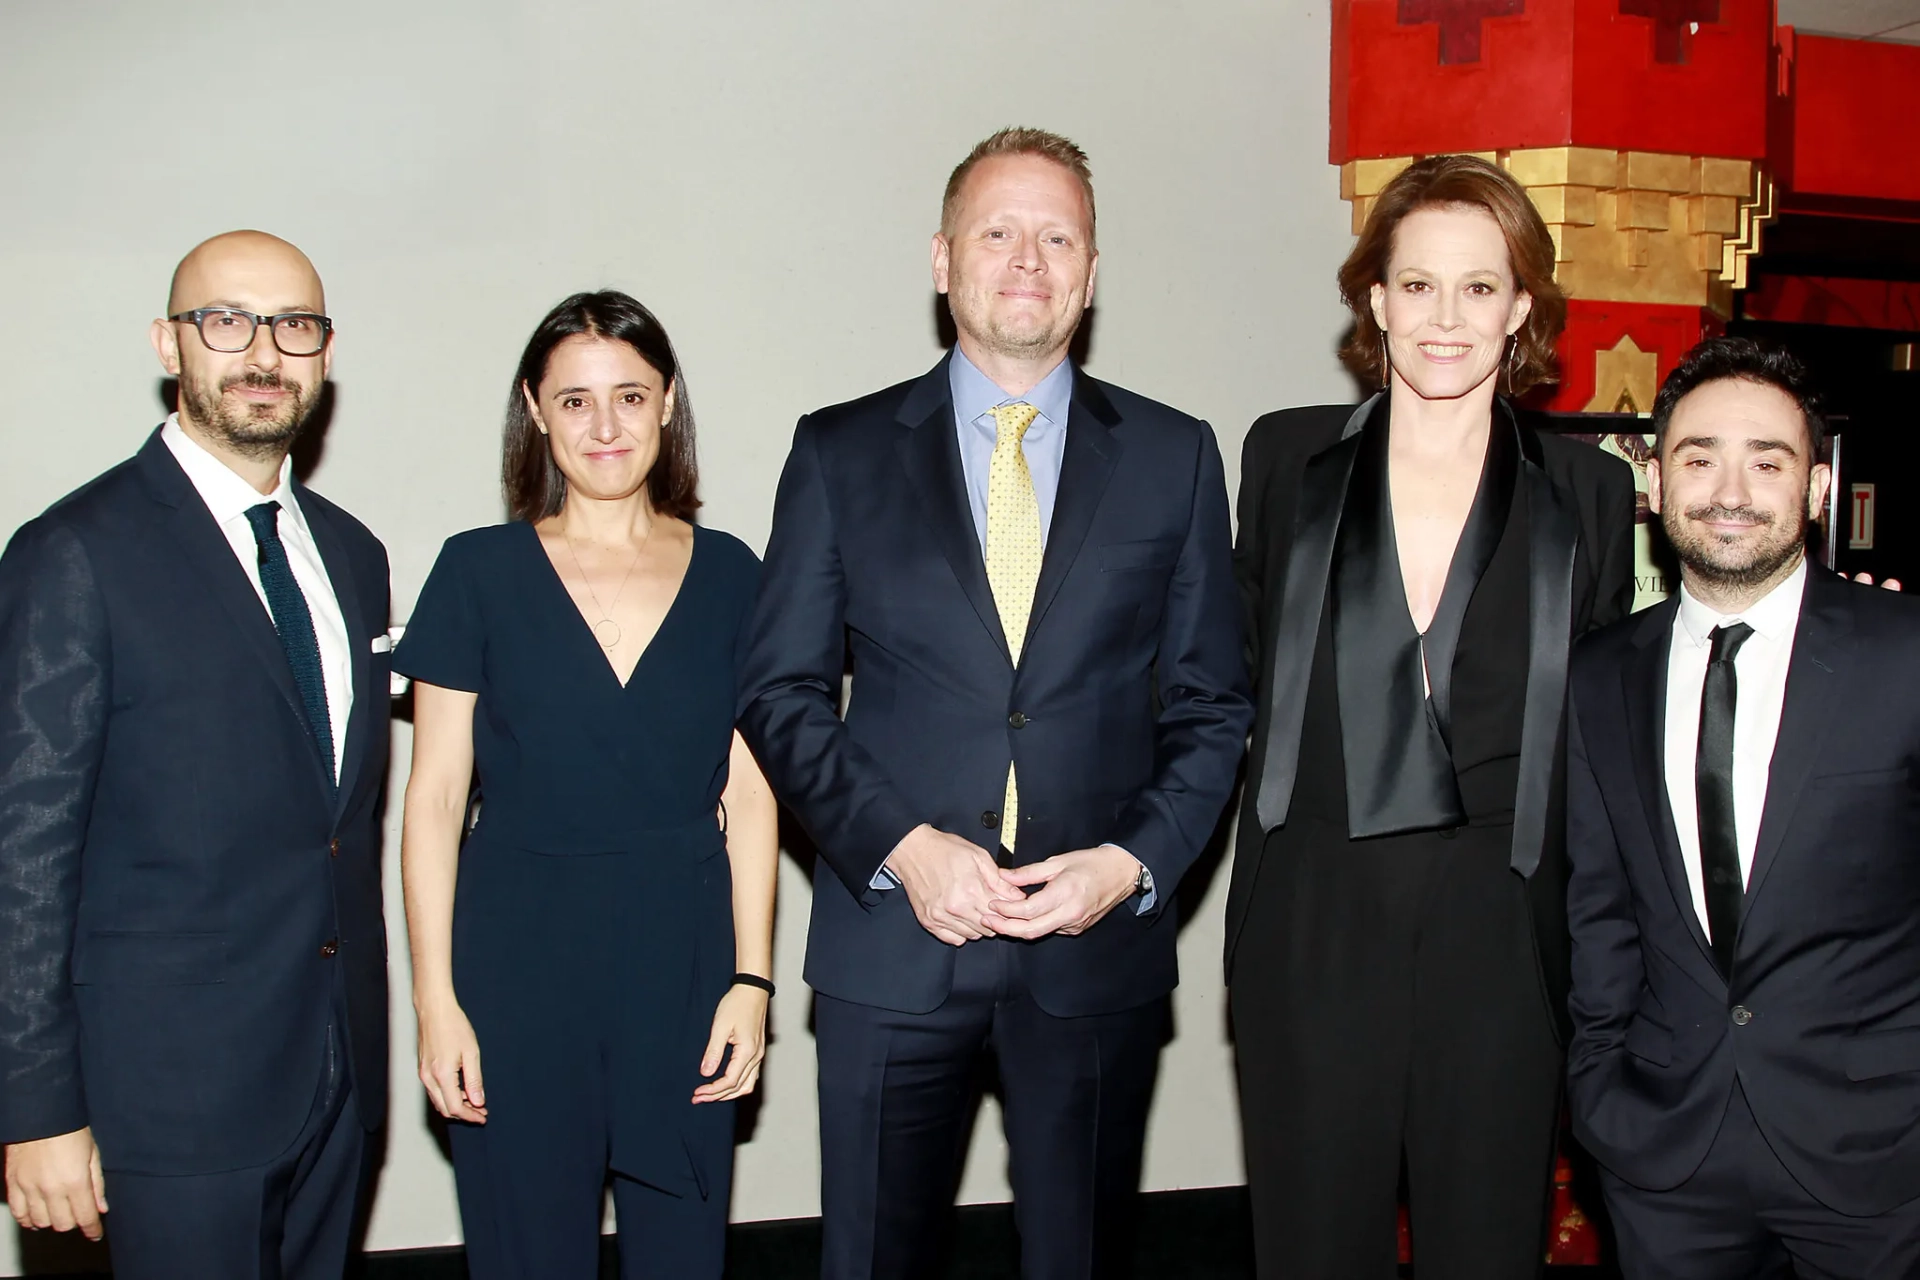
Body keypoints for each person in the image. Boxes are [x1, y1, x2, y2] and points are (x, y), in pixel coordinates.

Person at [738, 127, 1251, 1279]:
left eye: (1058, 234)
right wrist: (905, 847)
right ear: (942, 259)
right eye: (999, 231)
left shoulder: (1174, 456)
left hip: (1093, 950)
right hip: (893, 936)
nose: (1029, 257)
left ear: (1092, 267)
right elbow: (781, 691)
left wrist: (1128, 863)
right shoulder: (840, 451)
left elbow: (1215, 702)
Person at [1226, 154, 1637, 1279]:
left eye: (1477, 286)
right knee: (1312, 1250)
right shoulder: (1284, 457)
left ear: (1520, 308)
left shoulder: (1589, 492)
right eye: (1417, 285)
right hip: (1312, 911)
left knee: (1487, 1248)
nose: (1444, 318)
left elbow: (1622, 710)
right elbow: (1225, 675)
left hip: (1500, 927)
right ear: (1375, 299)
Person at [0, 231, 390, 1279]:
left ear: (325, 351)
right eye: (227, 320)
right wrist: (34, 1108)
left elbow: (330, 824)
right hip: (162, 1105)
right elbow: (22, 858)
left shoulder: (354, 555)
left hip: (335, 1079)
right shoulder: (75, 551)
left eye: (294, 325)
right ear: (171, 344)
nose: (264, 351)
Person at [395, 290, 775, 1280]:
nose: (604, 426)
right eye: (574, 401)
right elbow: (434, 797)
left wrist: (753, 977)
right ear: (535, 408)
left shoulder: (736, 575)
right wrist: (436, 1000)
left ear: (667, 403)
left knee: (682, 1256)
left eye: (629, 396)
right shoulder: (475, 572)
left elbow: (752, 791)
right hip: (515, 970)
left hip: (683, 966)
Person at [1565, 336, 1920, 1278]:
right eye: (1699, 456)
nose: (1731, 490)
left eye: (1767, 461)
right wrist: (1599, 1086)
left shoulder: (1905, 653)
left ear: (1816, 488)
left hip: (1880, 1157)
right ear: (1651, 476)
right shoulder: (1598, 675)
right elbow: (1598, 911)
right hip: (1663, 1157)